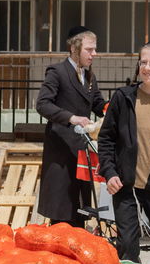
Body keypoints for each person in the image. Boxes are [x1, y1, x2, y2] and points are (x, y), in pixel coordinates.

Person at [98, 40, 150, 260]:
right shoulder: (123, 98)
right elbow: (106, 139)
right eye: (143, 62)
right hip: (125, 184)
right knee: (128, 243)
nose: (147, 67)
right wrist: (109, 172)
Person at [36, 26, 104, 226]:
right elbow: (42, 104)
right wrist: (71, 118)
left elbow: (98, 103)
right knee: (62, 208)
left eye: (94, 49)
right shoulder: (57, 72)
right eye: (89, 49)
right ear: (75, 48)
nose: (94, 54)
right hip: (61, 151)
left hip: (81, 150)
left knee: (79, 209)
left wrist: (113, 108)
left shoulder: (89, 76)